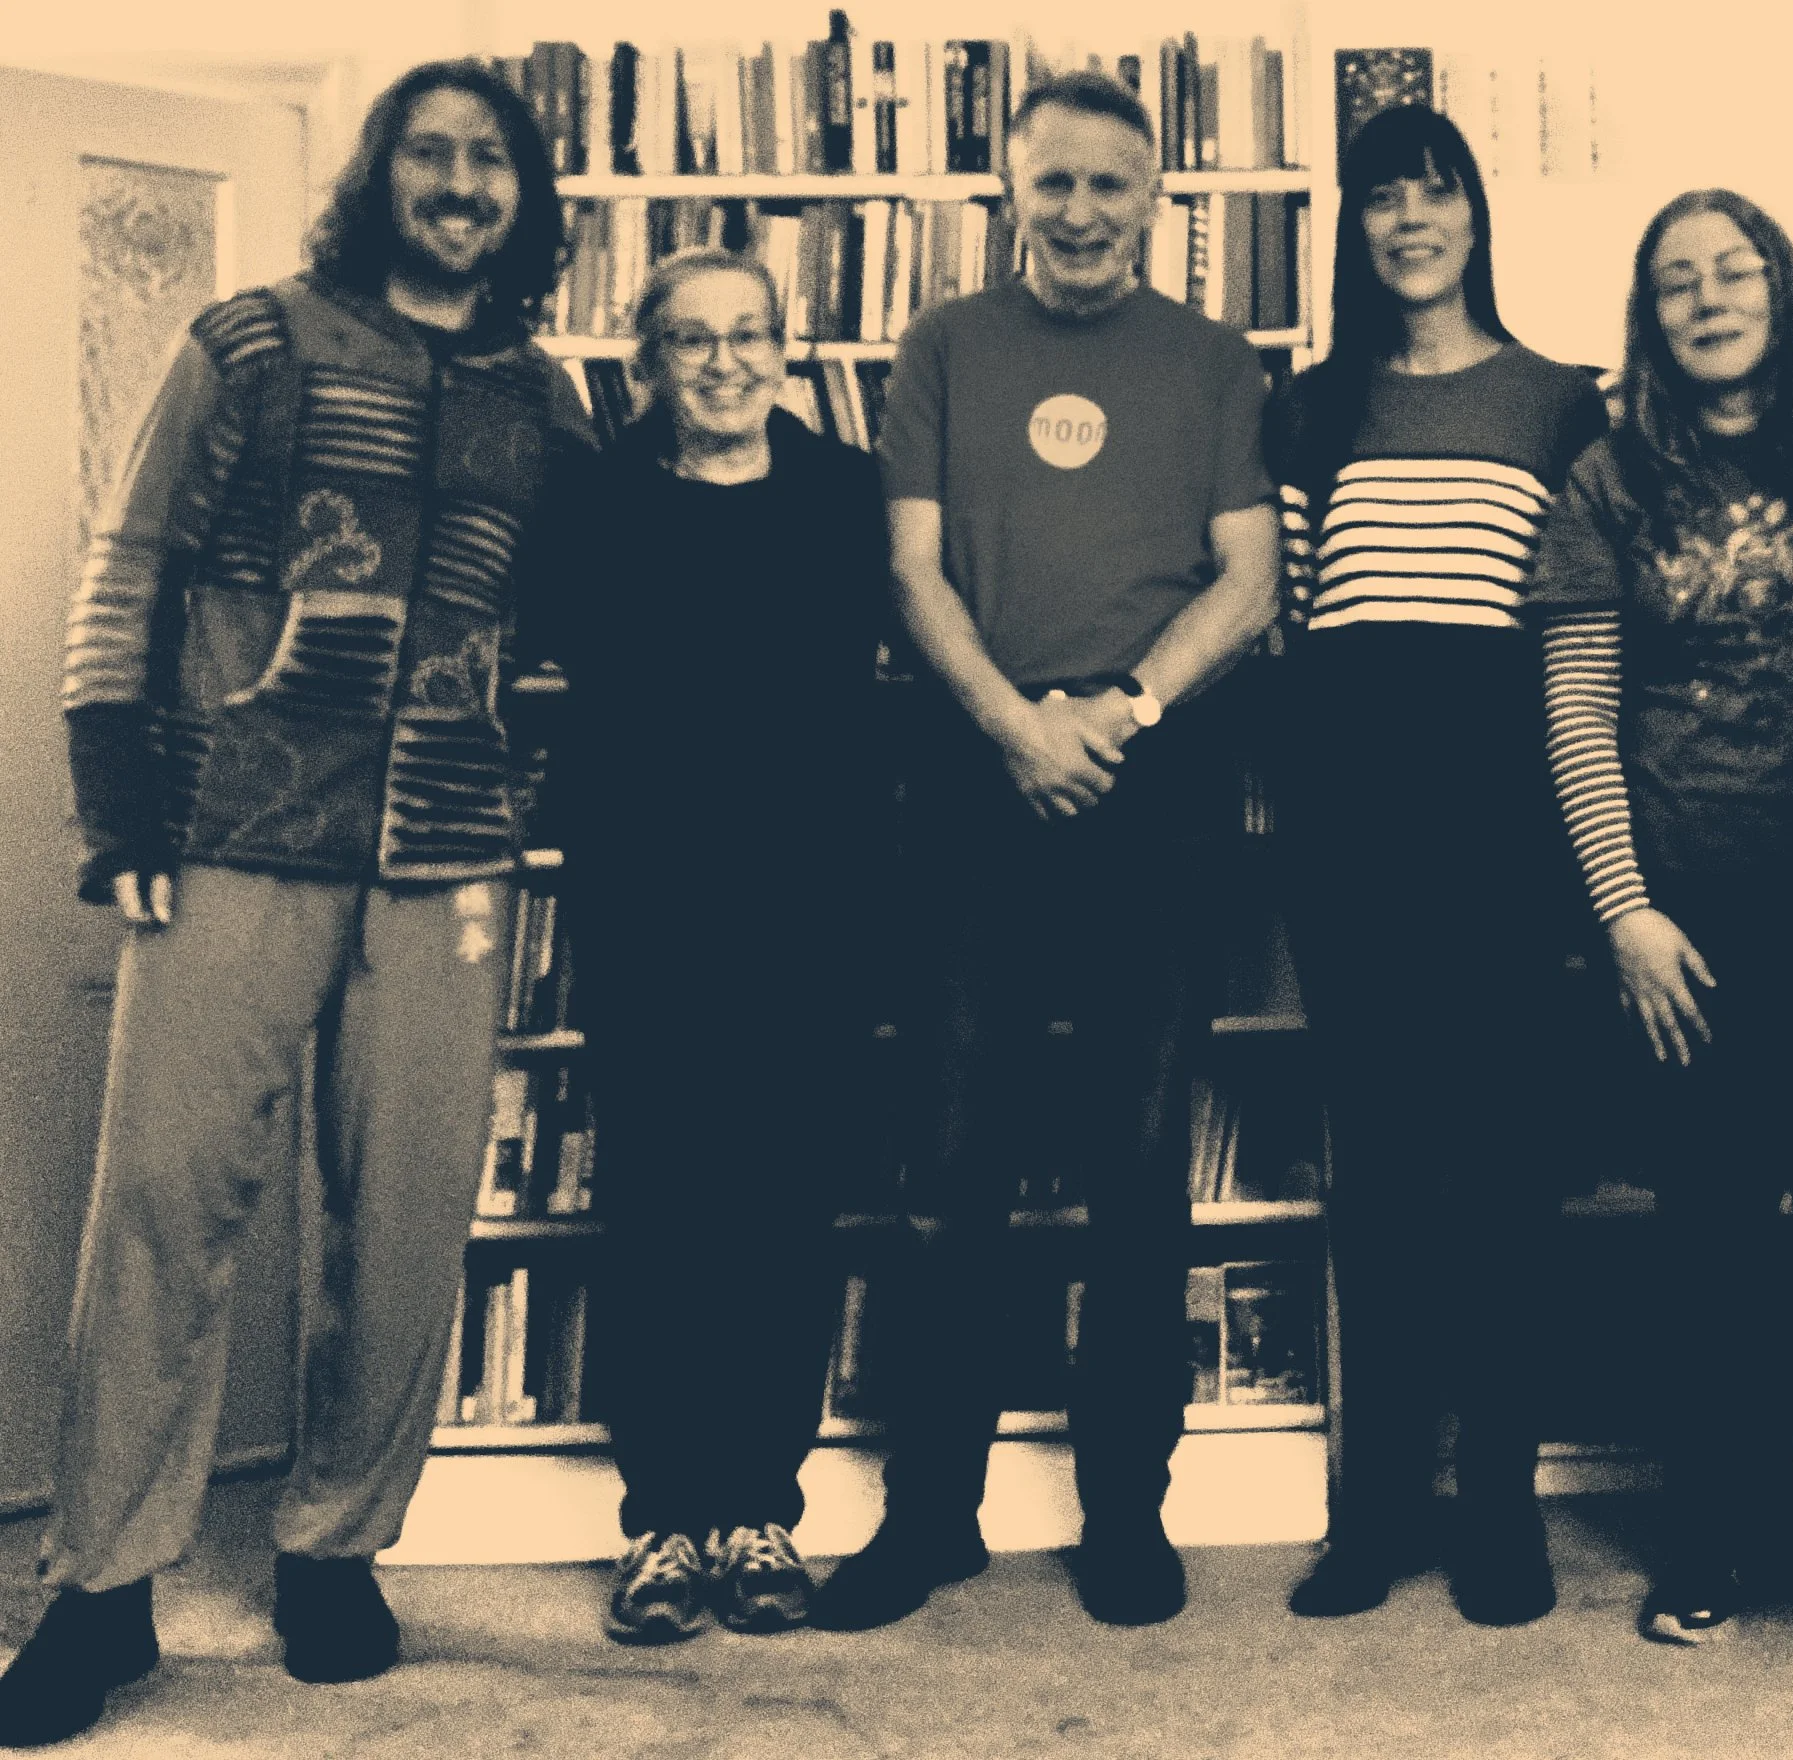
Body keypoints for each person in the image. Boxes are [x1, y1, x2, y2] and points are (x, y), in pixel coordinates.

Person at [0, 61, 590, 1750]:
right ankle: (102, 1587)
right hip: (234, 833)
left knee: (404, 1227)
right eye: (432, 152)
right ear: (380, 173)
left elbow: (583, 623)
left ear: (520, 196)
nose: (462, 182)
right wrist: (117, 807)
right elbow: (126, 566)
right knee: (164, 1212)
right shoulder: (248, 343)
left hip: (447, 860)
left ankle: (335, 1547)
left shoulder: (542, 402)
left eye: (491, 160)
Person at [801, 70, 1279, 1634]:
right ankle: (929, 1515)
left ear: (1159, 201)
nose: (1080, 212)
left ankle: (1125, 1517)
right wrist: (1017, 726)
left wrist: (1119, 715)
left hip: (1157, 798)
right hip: (966, 794)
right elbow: (911, 565)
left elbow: (1252, 578)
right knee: (954, 1164)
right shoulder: (942, 345)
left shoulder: (1215, 361)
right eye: (1053, 184)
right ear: (1012, 192)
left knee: (1139, 1169)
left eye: (1111, 187)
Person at [1524, 189, 1793, 1660]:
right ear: (1650, 313)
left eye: (1735, 269)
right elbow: (1578, 708)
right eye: (1678, 281)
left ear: (1782, 286)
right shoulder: (1608, 479)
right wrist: (1623, 910)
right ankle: (1717, 1539)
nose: (1710, 298)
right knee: (1708, 1247)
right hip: (1686, 928)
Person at [1260, 104, 1605, 1627]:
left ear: (1476, 214)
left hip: (1505, 824)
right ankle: (1377, 1505)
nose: (1411, 220)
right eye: (1384, 198)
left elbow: (1580, 632)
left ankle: (1499, 1506)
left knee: (1506, 1176)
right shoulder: (1310, 406)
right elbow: (1284, 621)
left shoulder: (1561, 401)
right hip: (1350, 829)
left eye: (1436, 192)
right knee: (1383, 1174)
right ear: (1357, 226)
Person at [556, 250, 890, 1644]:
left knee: (782, 1211)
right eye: (690, 340)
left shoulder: (846, 499)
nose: (724, 361)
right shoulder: (599, 500)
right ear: (648, 365)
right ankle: (665, 1523)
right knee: (660, 1213)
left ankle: (759, 1515)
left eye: (749, 334)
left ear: (789, 352)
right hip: (649, 907)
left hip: (808, 909)